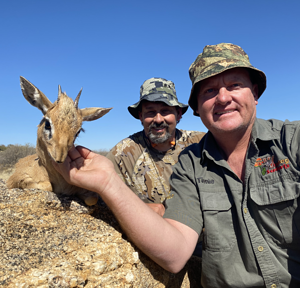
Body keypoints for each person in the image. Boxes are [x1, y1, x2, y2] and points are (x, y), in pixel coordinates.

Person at [53, 43, 300, 288]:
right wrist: (109, 183)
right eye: (210, 91)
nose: (223, 98)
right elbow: (169, 244)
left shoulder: (289, 141)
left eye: (235, 85)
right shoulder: (180, 160)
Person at [106, 77, 205, 216]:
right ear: (141, 116)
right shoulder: (121, 155)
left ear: (179, 114)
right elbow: (105, 197)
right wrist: (138, 208)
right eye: (151, 112)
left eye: (165, 111)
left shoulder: (201, 142)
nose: (158, 120)